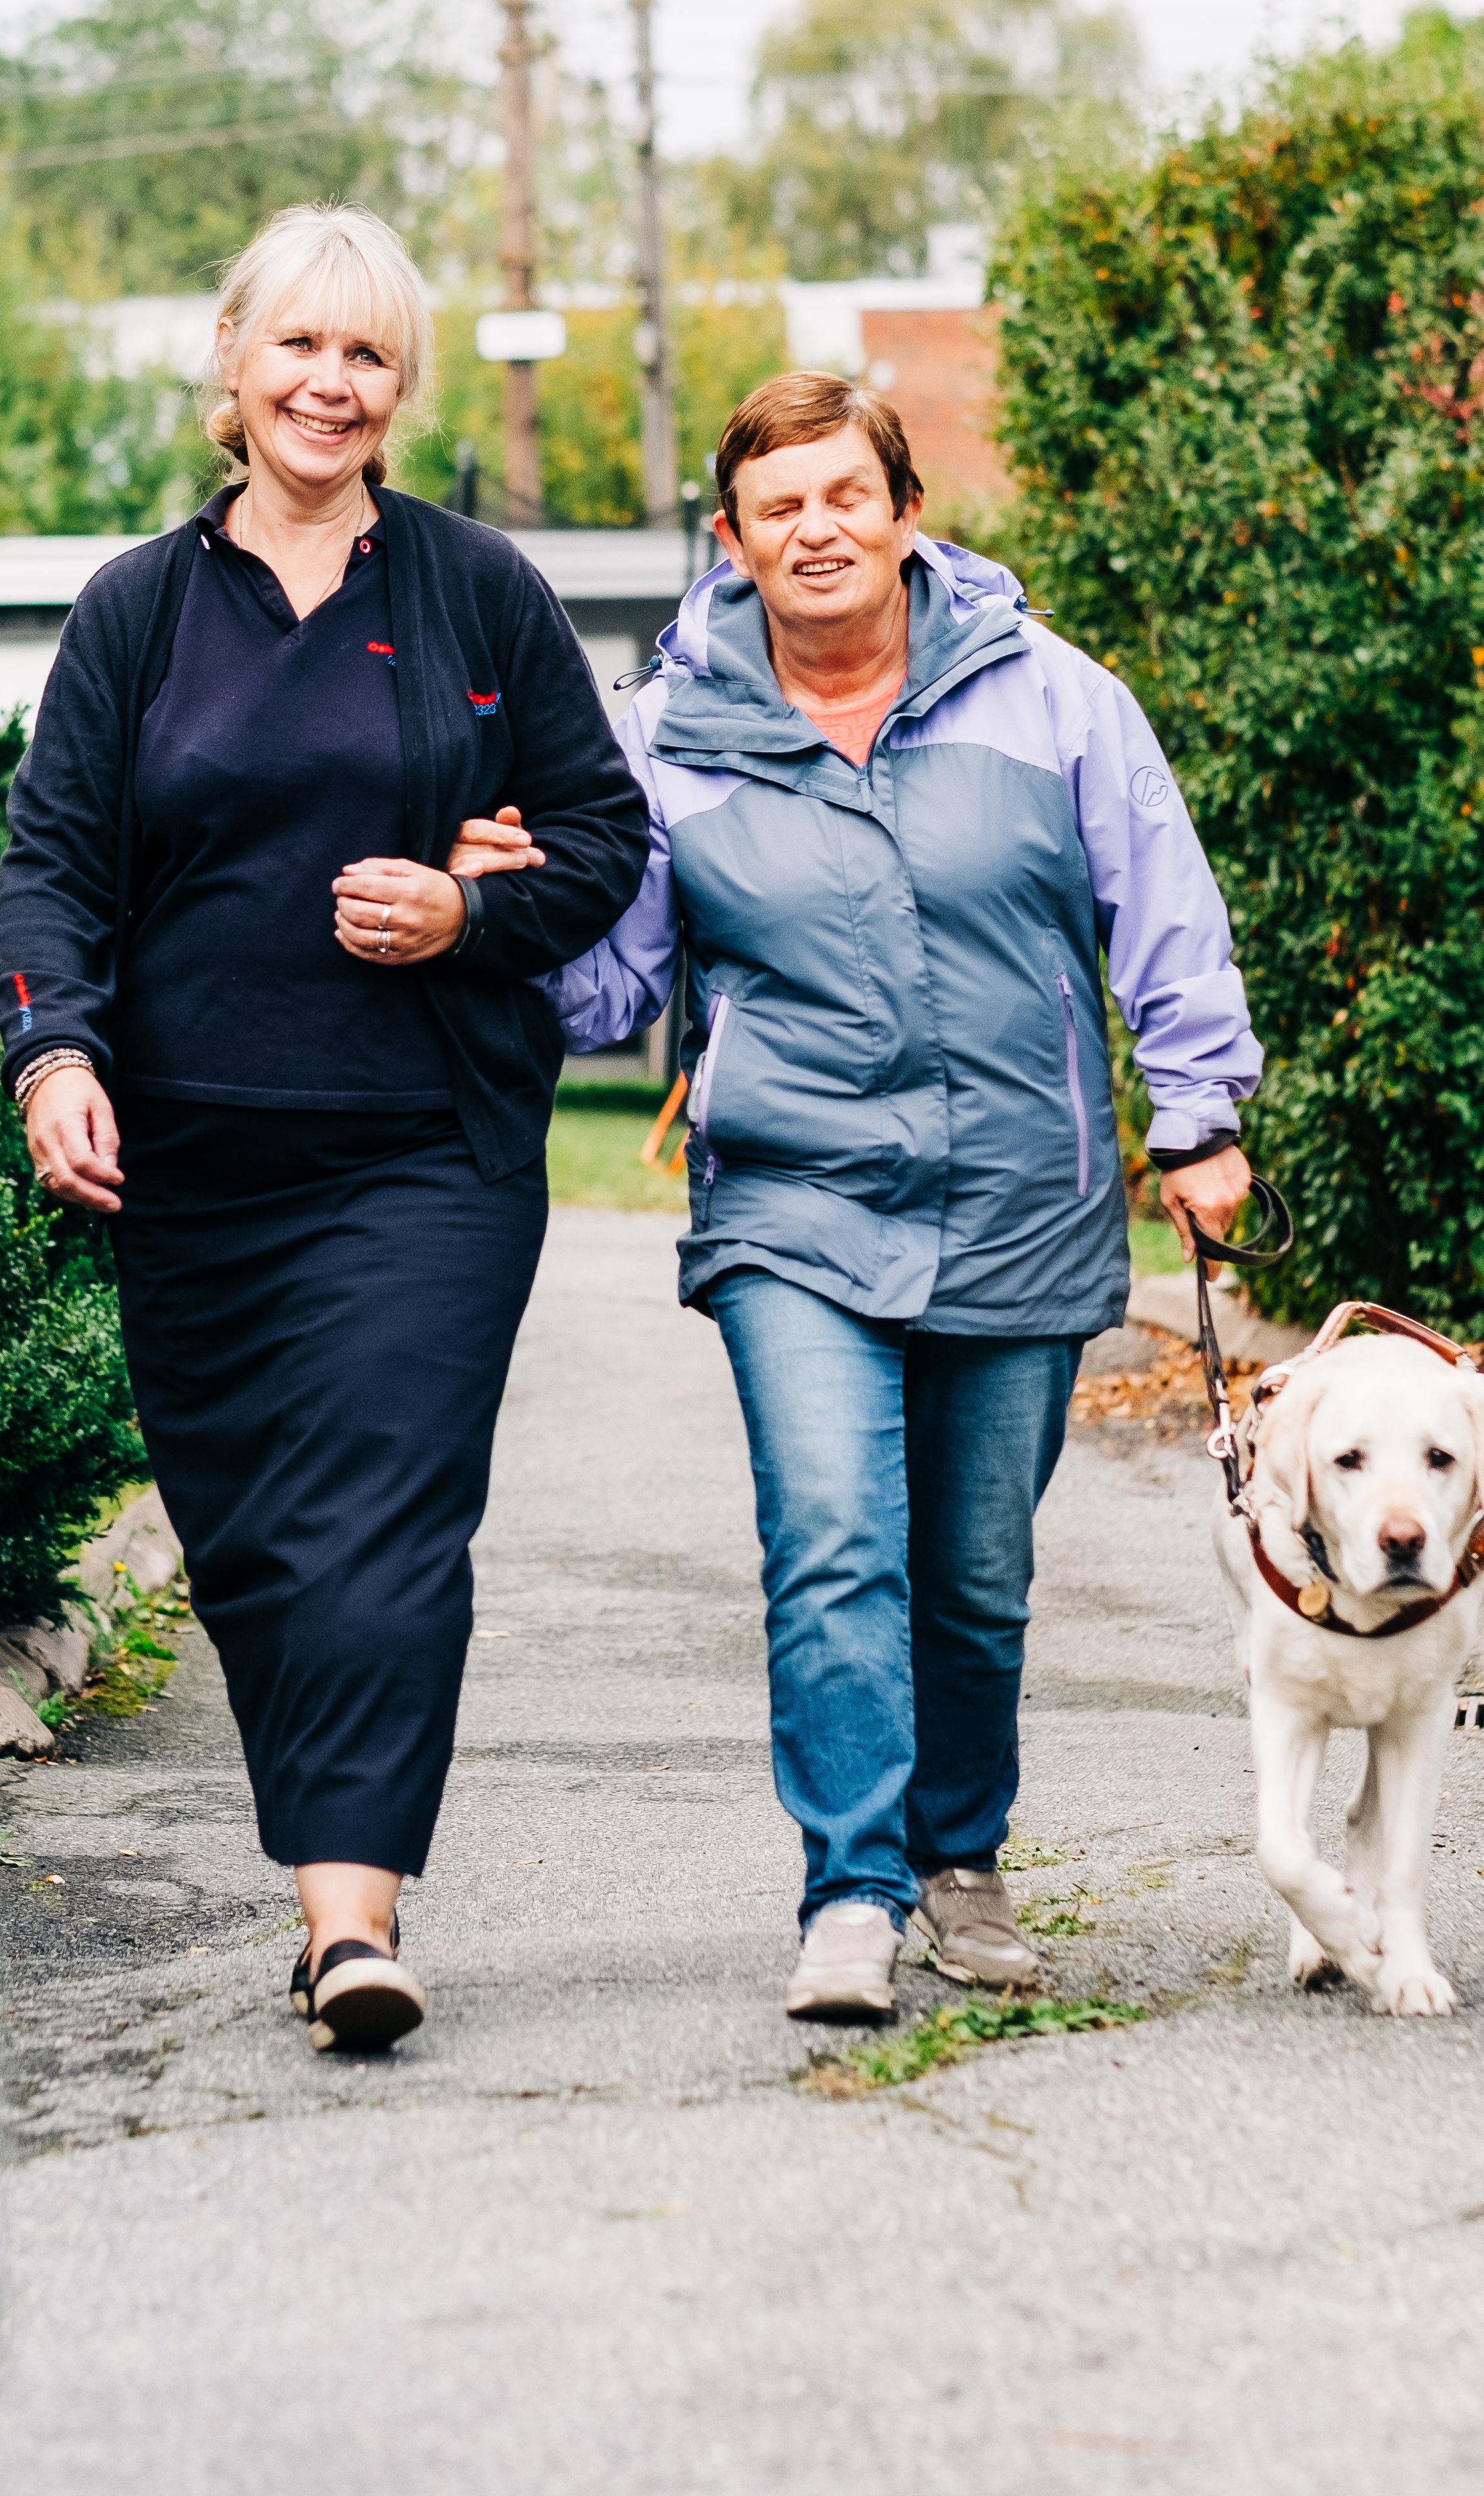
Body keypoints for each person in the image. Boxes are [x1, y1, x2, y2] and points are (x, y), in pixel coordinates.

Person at [0, 203, 649, 2055]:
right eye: (299, 343)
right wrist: (54, 1057)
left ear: (400, 384)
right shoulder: (136, 611)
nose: (330, 383)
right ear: (232, 360)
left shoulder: (476, 592)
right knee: (254, 1545)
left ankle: (350, 1921)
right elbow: (52, 869)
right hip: (192, 1165)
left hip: (423, 1151)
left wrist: (468, 913)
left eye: (366, 353)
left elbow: (601, 837)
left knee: (381, 1516)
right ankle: (330, 1892)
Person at [546, 372, 1264, 2021]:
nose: (816, 530)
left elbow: (1161, 902)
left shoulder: (1054, 698)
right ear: (731, 540)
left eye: (843, 496)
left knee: (974, 1572)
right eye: (778, 506)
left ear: (905, 514)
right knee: (833, 1539)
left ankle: (961, 1857)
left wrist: (1198, 1113)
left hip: (1022, 1192)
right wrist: (506, 911)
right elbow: (610, 988)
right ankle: (852, 1890)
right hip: (789, 1203)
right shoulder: (664, 737)